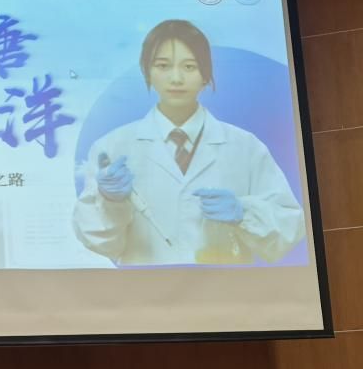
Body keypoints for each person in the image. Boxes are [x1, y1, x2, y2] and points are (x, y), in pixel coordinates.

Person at [72, 19, 305, 266]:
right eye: (163, 66)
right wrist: (110, 201)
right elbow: (99, 243)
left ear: (205, 75)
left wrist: (243, 212)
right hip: (145, 287)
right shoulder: (113, 147)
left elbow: (290, 228)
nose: (176, 78)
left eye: (189, 66)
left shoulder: (245, 146)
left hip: (226, 287)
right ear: (147, 72)